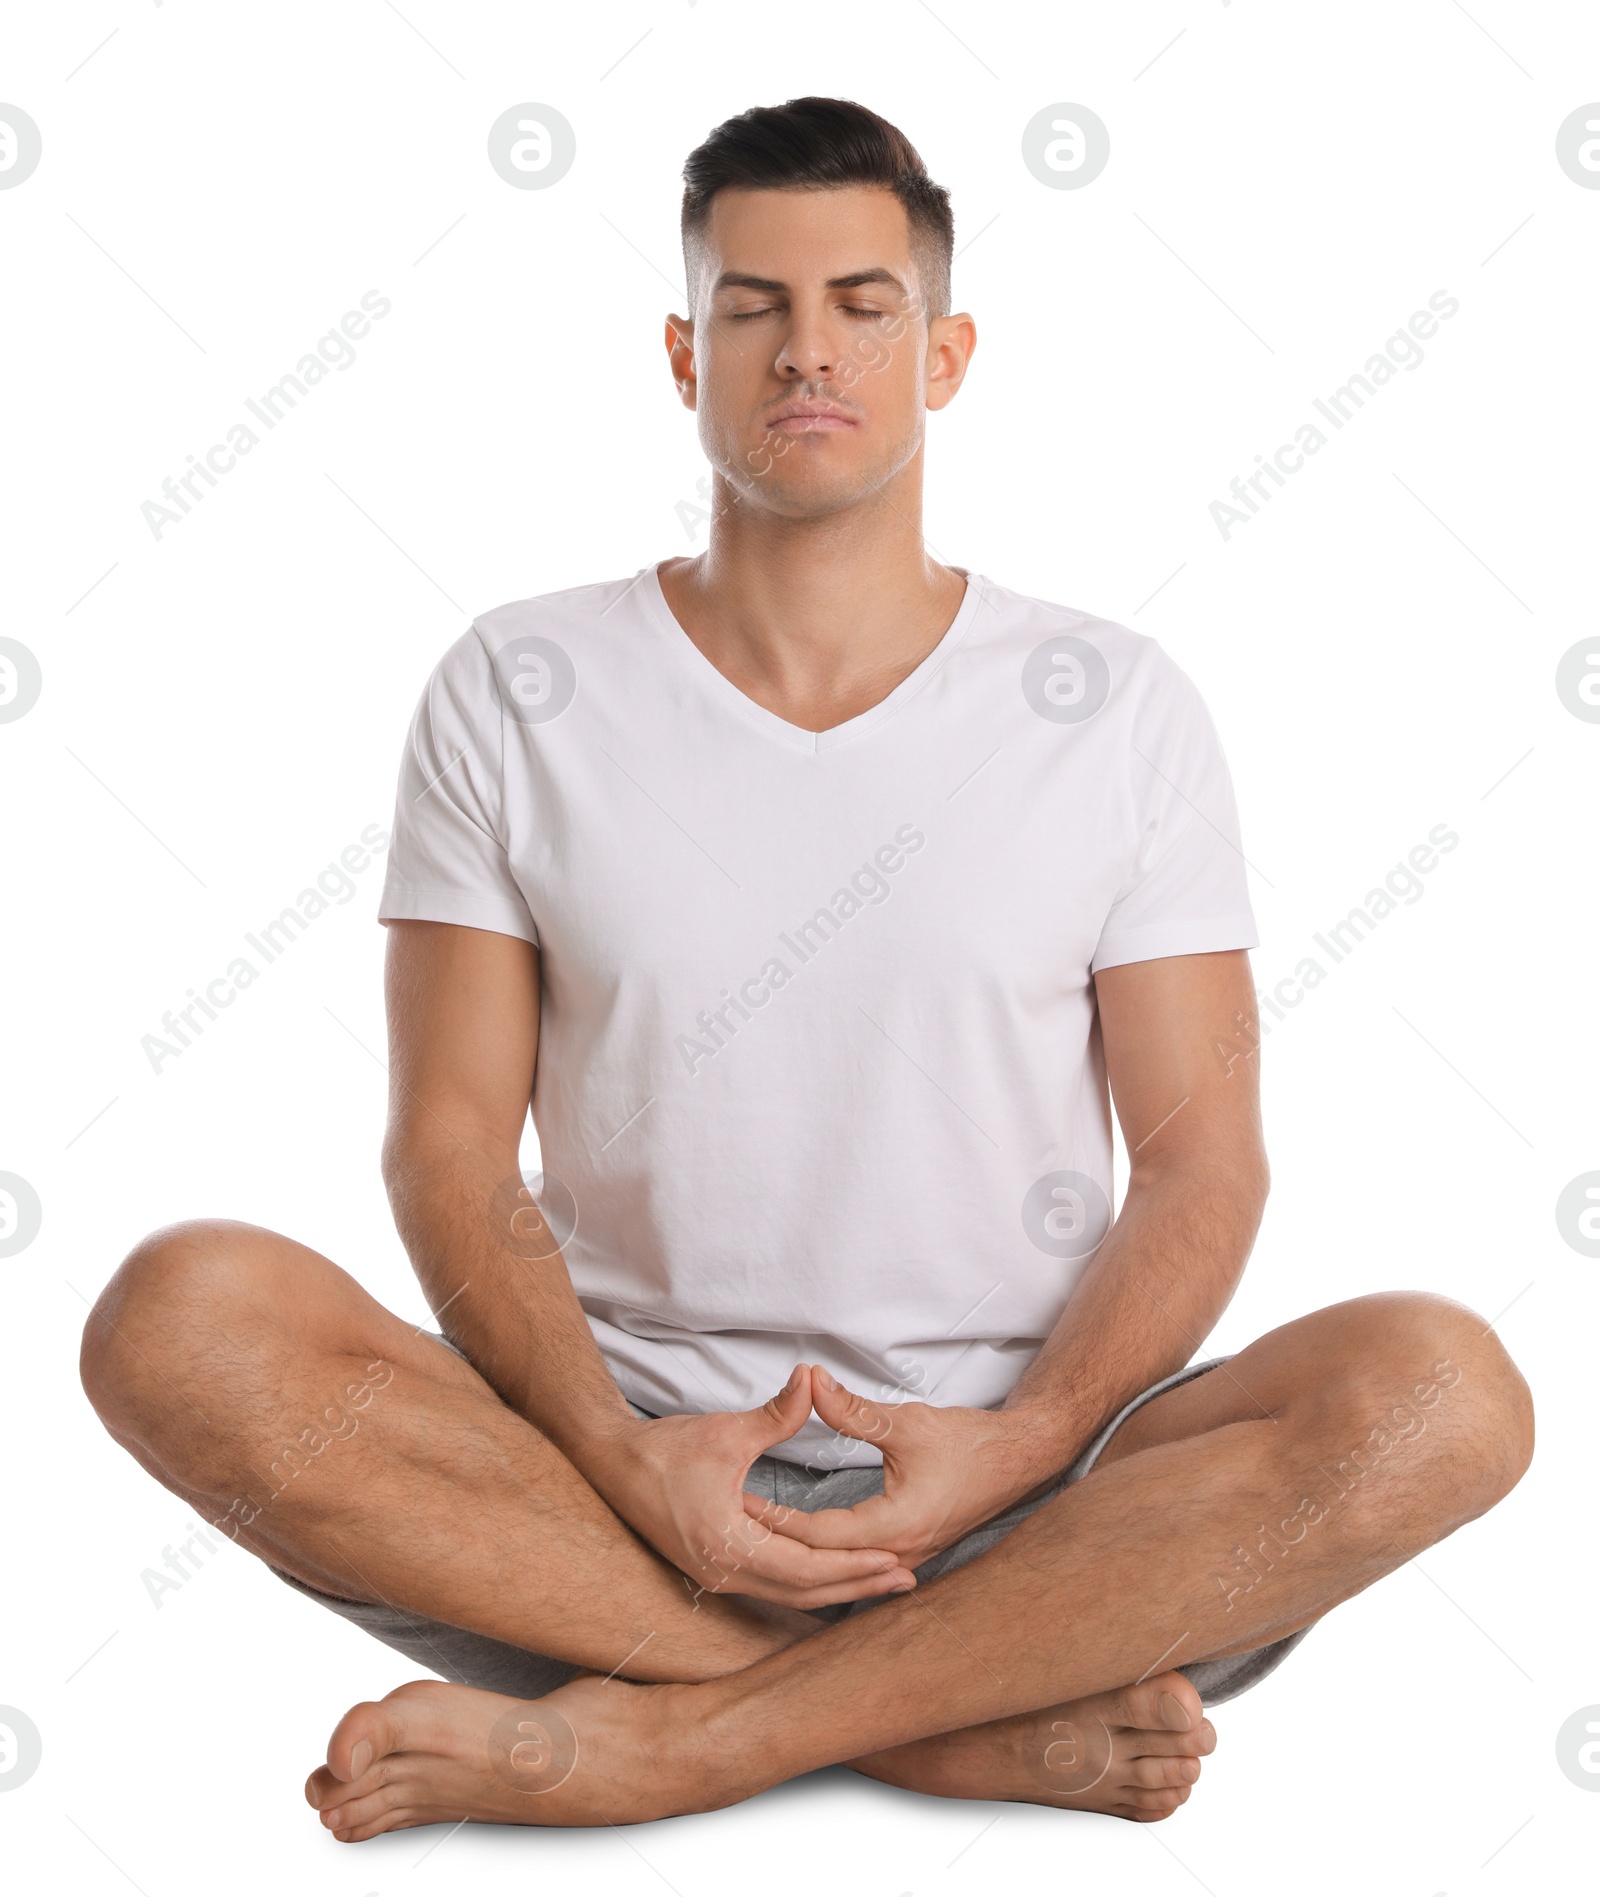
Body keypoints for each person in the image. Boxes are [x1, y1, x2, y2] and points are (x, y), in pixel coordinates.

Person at [80, 97, 1533, 1838]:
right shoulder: (515, 684)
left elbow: (1203, 1164)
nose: (807, 351)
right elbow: (450, 1150)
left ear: (947, 353)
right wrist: (625, 1458)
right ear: (687, 352)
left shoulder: (1115, 706)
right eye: (755, 308)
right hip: (603, 1500)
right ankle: (937, 1719)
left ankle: (688, 1736)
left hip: (1033, 1506)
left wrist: (1022, 1441)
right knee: (180, 1312)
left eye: (862, 302)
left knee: (1447, 1389)